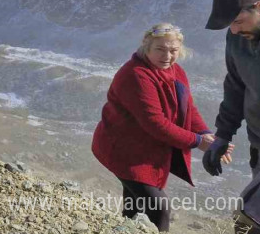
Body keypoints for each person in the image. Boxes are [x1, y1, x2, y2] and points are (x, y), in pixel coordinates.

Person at [92, 23, 232, 232]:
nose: (167, 56)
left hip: (146, 152)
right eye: (160, 49)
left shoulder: (176, 71)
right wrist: (198, 142)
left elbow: (188, 108)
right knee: (159, 209)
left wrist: (205, 134)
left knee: (134, 208)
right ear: (146, 47)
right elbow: (155, 123)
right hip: (123, 151)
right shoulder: (136, 75)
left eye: (173, 50)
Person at [204, 0, 260, 233]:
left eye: (237, 21)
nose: (233, 30)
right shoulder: (237, 37)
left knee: (253, 222)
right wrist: (223, 134)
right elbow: (236, 85)